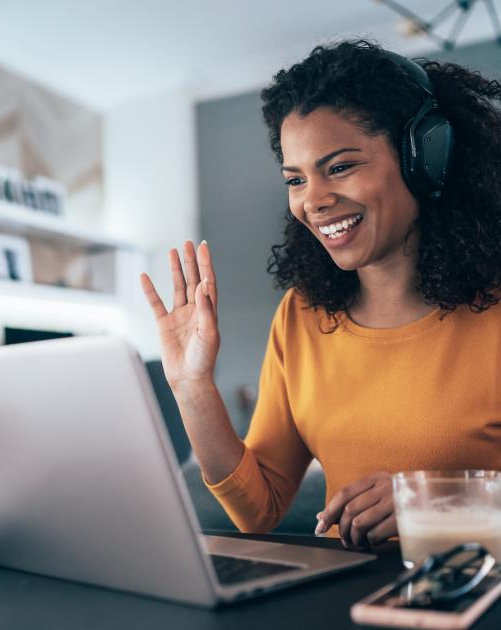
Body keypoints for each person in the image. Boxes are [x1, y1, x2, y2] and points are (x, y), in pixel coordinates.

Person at [139, 40, 501, 550]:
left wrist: (436, 502)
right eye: (295, 179)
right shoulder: (301, 316)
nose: (314, 201)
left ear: (425, 157)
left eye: (339, 167)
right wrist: (192, 385)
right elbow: (257, 510)